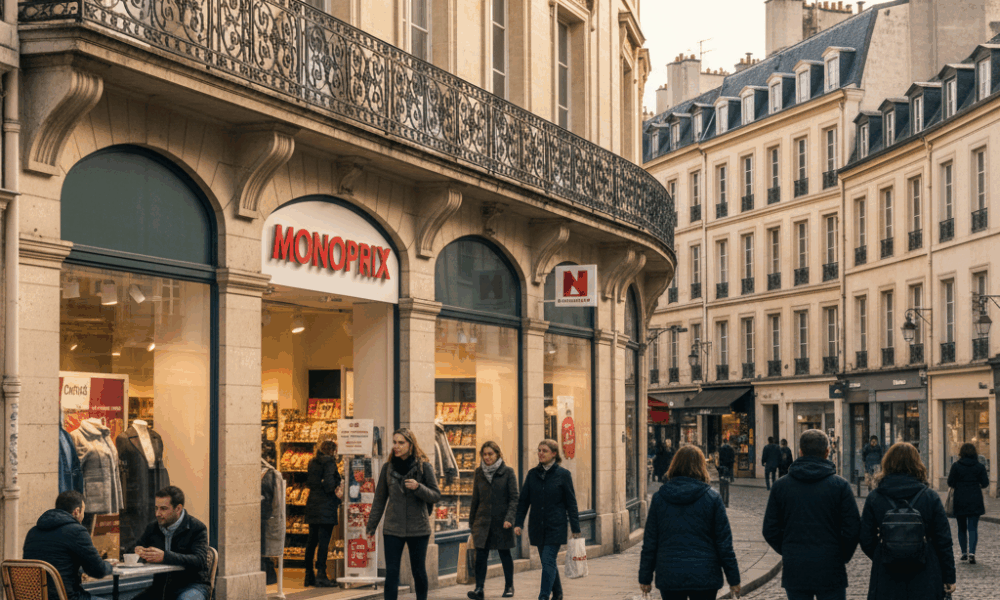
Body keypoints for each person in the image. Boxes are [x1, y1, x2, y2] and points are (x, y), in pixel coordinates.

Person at [763, 429, 861, 600]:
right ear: (827, 452)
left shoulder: (781, 486)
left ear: (800, 452)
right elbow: (853, 529)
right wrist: (841, 555)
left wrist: (788, 549)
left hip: (796, 567)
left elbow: (770, 529)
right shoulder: (840, 486)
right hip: (830, 566)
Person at [638, 446, 741, 600]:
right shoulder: (712, 498)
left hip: (670, 574)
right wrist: (734, 579)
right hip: (705, 574)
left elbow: (650, 542)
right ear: (701, 467)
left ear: (674, 465)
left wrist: (645, 577)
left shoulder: (660, 498)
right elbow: (724, 544)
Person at [860, 442, 956, 599]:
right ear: (917, 464)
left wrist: (887, 553)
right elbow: (943, 540)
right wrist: (949, 577)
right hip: (925, 571)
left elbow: (865, 538)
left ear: (887, 463)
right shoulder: (930, 497)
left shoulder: (875, 497)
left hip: (887, 574)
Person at [366, 428, 441, 600]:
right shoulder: (387, 468)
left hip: (418, 528)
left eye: (401, 443)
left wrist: (418, 487)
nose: (396, 446)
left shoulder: (424, 467)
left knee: (418, 570)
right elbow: (379, 500)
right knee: (392, 572)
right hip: (393, 527)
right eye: (394, 442)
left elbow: (436, 495)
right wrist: (371, 526)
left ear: (410, 445)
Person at [514, 439, 581, 600]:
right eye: (539, 450)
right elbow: (524, 501)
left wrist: (576, 527)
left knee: (548, 559)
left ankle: (543, 596)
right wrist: (518, 523)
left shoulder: (563, 475)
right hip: (537, 526)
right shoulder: (532, 474)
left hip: (555, 526)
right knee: (548, 562)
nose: (540, 454)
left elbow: (571, 503)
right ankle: (557, 593)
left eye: (544, 451)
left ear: (554, 454)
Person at [23, 491, 113, 600]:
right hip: (66, 597)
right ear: (77, 512)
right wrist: (110, 565)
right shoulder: (76, 531)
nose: (83, 516)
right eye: (83, 511)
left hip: (34, 597)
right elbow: (98, 571)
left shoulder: (33, 532)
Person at [132, 486, 212, 600]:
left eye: (163, 509)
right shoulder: (152, 527)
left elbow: (200, 560)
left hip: (193, 586)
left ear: (178, 508)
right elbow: (135, 547)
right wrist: (138, 550)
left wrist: (165, 556)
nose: (157, 514)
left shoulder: (196, 528)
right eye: (156, 508)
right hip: (160, 588)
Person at [467, 441, 519, 599]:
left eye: (490, 454)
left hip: (502, 521)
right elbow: (475, 499)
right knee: (481, 556)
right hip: (482, 521)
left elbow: (514, 498)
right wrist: (472, 523)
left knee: (504, 554)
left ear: (497, 454)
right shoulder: (479, 473)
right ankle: (479, 588)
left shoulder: (508, 472)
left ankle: (509, 586)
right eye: (484, 454)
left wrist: (510, 518)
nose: (487, 457)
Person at [303, 439, 342, 587]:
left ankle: (308, 575)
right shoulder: (330, 463)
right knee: (324, 542)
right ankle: (321, 575)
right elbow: (329, 484)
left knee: (311, 541)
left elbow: (310, 482)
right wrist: (336, 487)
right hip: (326, 506)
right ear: (332, 451)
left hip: (312, 504)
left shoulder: (313, 462)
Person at [947, 442, 989, 564]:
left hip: (960, 499)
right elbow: (985, 483)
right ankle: (972, 553)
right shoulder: (979, 467)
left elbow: (950, 482)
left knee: (961, 528)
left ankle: (964, 552)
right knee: (973, 527)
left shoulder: (956, 466)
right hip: (975, 499)